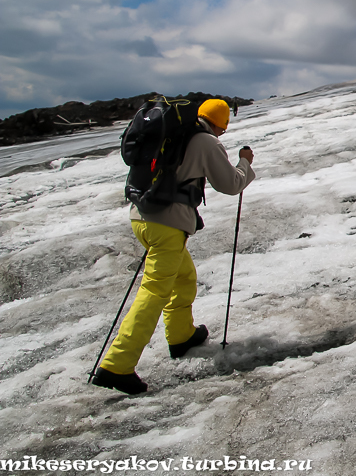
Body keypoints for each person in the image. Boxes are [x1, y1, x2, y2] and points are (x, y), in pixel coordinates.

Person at [92, 99, 255, 394]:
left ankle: (182, 336)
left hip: (142, 217)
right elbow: (231, 184)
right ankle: (117, 365)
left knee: (183, 277)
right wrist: (245, 163)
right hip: (167, 225)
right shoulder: (205, 141)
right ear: (220, 125)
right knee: (154, 291)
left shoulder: (173, 134)